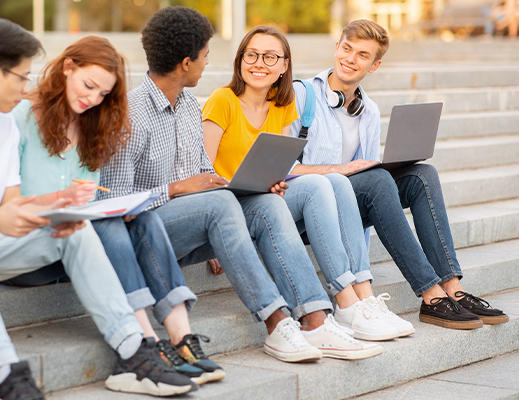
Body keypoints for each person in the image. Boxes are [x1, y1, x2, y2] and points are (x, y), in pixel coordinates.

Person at [0, 18, 195, 400]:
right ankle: (5, 369)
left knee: (76, 232)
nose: (28, 88)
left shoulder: (3, 128)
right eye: (21, 77)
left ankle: (132, 352)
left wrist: (56, 211)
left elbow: (13, 206)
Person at [100, 6, 383, 363]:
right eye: (204, 56)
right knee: (221, 205)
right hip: (147, 230)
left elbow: (206, 175)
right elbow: (111, 202)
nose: (207, 64)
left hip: (197, 219)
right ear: (186, 62)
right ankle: (276, 321)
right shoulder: (128, 114)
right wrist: (175, 190)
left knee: (266, 203)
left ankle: (315, 319)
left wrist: (254, 186)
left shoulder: (188, 105)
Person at [13, 35, 225, 388]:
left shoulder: (89, 126)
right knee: (109, 227)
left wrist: (110, 205)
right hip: (32, 244)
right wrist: (60, 198)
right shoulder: (21, 118)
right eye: (88, 85)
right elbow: (5, 203)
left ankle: (181, 339)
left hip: (77, 244)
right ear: (67, 68)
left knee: (141, 216)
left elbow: (90, 196)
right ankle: (144, 346)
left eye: (102, 94)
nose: (92, 99)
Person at [290, 19, 508, 330]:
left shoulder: (369, 111)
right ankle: (430, 295)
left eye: (362, 55)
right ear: (337, 47)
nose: (350, 59)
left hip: (347, 205)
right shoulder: (301, 95)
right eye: (347, 48)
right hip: (311, 207)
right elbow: (282, 169)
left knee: (423, 175)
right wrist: (338, 170)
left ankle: (453, 288)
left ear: (374, 66)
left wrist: (356, 251)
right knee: (377, 179)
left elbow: (365, 182)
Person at [202, 25, 413, 341]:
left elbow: (282, 168)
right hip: (229, 206)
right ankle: (345, 299)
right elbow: (201, 171)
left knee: (334, 182)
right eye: (252, 55)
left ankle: (357, 300)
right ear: (240, 60)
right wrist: (215, 234)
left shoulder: (283, 105)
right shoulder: (222, 100)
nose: (260, 63)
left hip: (266, 197)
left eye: (270, 57)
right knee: (321, 182)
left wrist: (283, 180)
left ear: (284, 65)